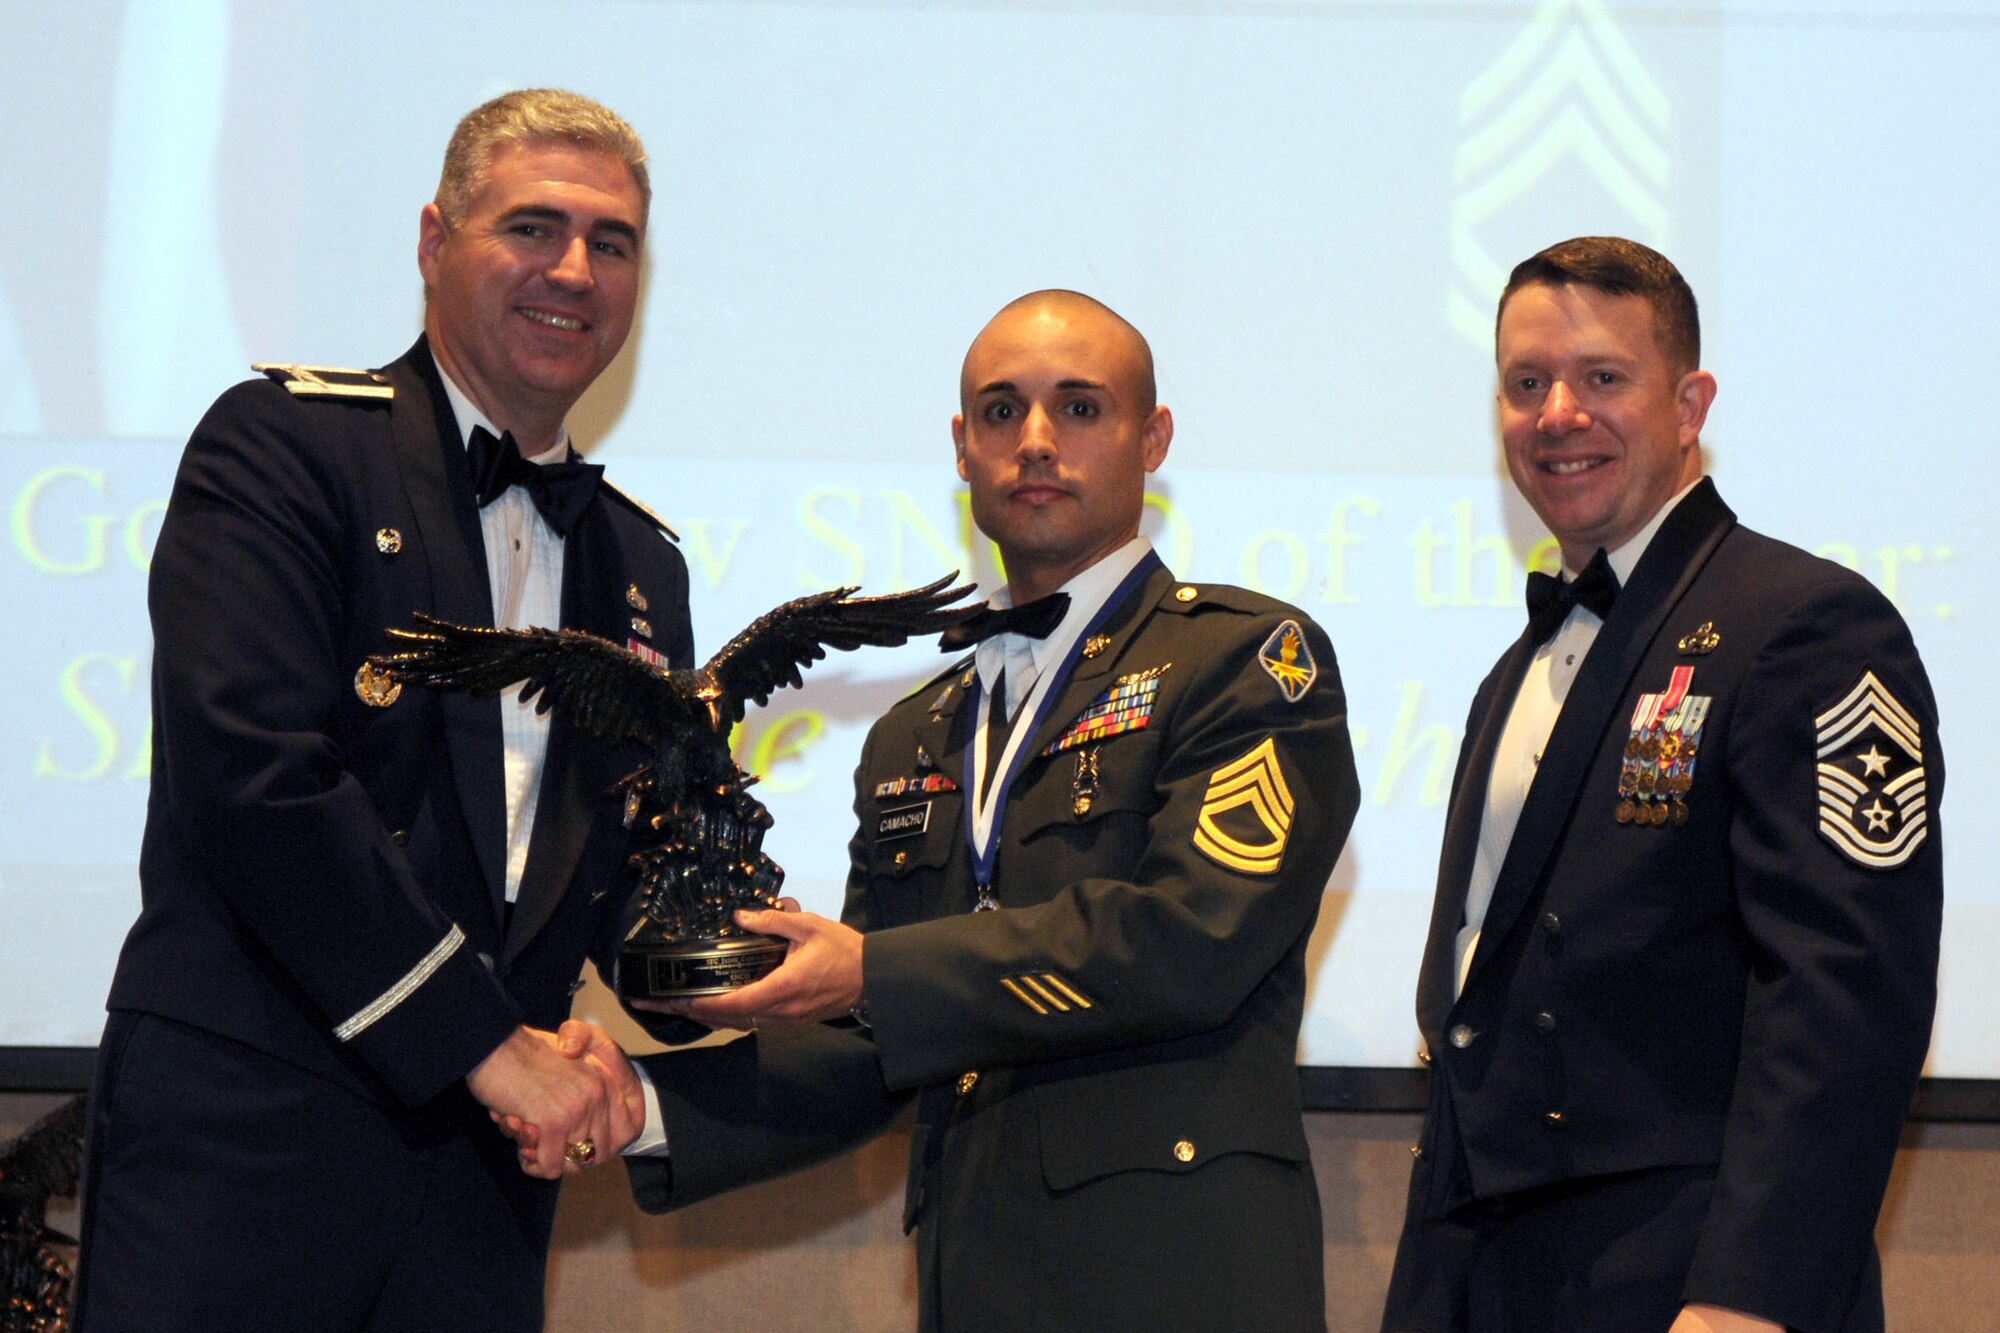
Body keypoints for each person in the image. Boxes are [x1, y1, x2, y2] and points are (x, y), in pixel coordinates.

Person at [528, 289, 1360, 1330]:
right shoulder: (913, 732)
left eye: (1081, 407)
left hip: (1181, 1280)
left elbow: (1187, 941)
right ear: (962, 448)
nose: (1036, 440)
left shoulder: (1243, 660)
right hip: (975, 1281)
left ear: (1152, 440)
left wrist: (871, 970)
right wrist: (644, 1106)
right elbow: (872, 1041)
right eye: (1002, 411)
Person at [74, 89, 687, 1332]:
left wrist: (825, 971)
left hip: (482, 1197)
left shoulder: (641, 565)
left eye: (610, 242)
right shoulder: (284, 447)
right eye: (532, 226)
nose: (573, 270)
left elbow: (626, 871)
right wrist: (490, 1044)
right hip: (246, 1151)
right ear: (432, 241)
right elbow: (256, 783)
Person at [1380, 237, 1943, 1333]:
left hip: (1687, 1279)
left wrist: (1749, 1296)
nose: (1557, 414)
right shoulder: (1518, 669)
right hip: (1492, 1276)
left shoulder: (1805, 623)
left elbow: (1842, 990)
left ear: (1689, 405)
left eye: (1601, 377)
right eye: (1526, 383)